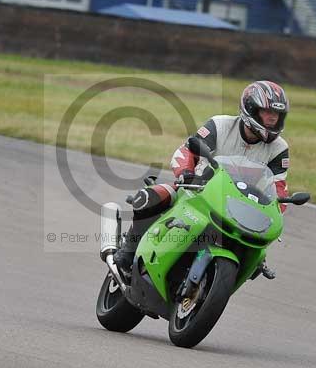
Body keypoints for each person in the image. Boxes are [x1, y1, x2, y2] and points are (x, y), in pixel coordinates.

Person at [113, 80, 291, 278]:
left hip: (241, 206)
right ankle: (128, 251)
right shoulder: (220, 125)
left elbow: (279, 186)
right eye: (267, 113)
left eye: (277, 115)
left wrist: (277, 207)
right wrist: (185, 173)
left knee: (257, 256)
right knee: (150, 197)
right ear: (250, 109)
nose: (272, 119)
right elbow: (187, 150)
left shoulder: (279, 148)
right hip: (198, 190)